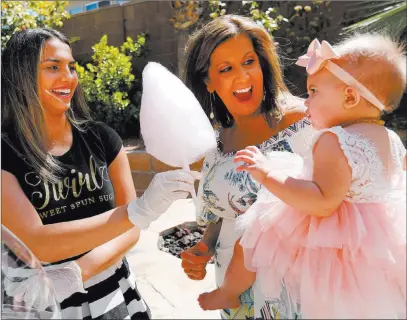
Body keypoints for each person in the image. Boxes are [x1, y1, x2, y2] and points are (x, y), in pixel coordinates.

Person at [198, 34, 407, 319]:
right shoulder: (390, 138)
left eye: (313, 93)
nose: (306, 102)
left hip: (329, 233)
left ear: (349, 96)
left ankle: (228, 292)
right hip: (370, 243)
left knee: (253, 235)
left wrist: (267, 174)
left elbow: (322, 201)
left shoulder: (334, 139)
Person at [1, 28, 200, 319]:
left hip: (114, 293)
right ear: (20, 76)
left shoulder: (102, 139)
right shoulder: (6, 153)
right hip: (43, 304)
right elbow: (36, 242)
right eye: (52, 67)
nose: (68, 77)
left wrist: (77, 273)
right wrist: (137, 211)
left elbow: (131, 230)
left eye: (71, 66)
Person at [179, 15, 316, 319]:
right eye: (226, 69)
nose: (242, 77)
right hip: (235, 300)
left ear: (262, 64)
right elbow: (222, 217)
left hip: (295, 296)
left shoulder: (304, 122)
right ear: (208, 81)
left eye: (248, 62)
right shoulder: (216, 143)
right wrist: (205, 248)